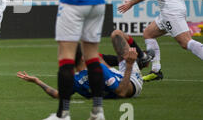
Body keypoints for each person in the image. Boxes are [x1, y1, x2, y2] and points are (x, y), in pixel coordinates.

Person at [17, 34, 146, 107]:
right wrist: (129, 65)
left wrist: (38, 81)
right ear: (83, 57)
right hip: (132, 83)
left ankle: (141, 59)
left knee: (97, 57)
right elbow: (122, 92)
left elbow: (58, 94)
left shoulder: (73, 80)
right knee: (116, 34)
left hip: (116, 78)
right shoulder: (97, 69)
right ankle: (142, 57)